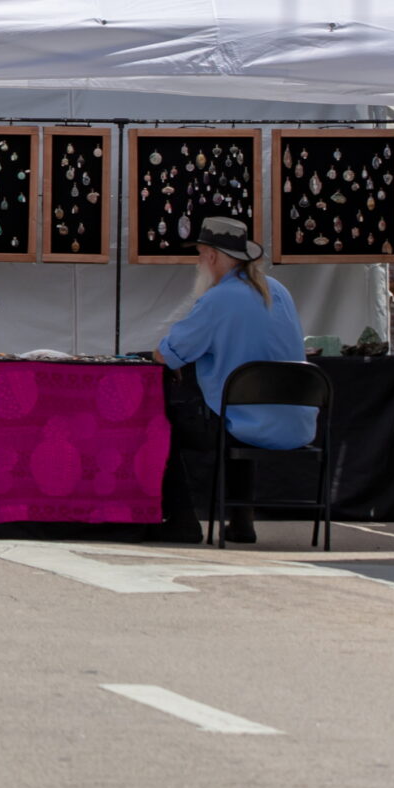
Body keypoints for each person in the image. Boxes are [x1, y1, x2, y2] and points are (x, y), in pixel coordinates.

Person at [153, 214, 315, 545]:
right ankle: (242, 520)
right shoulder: (279, 291)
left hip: (243, 423)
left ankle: (181, 519)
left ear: (211, 256)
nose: (199, 263)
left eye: (200, 255)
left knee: (162, 419)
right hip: (296, 421)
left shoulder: (218, 299)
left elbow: (166, 354)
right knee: (241, 405)